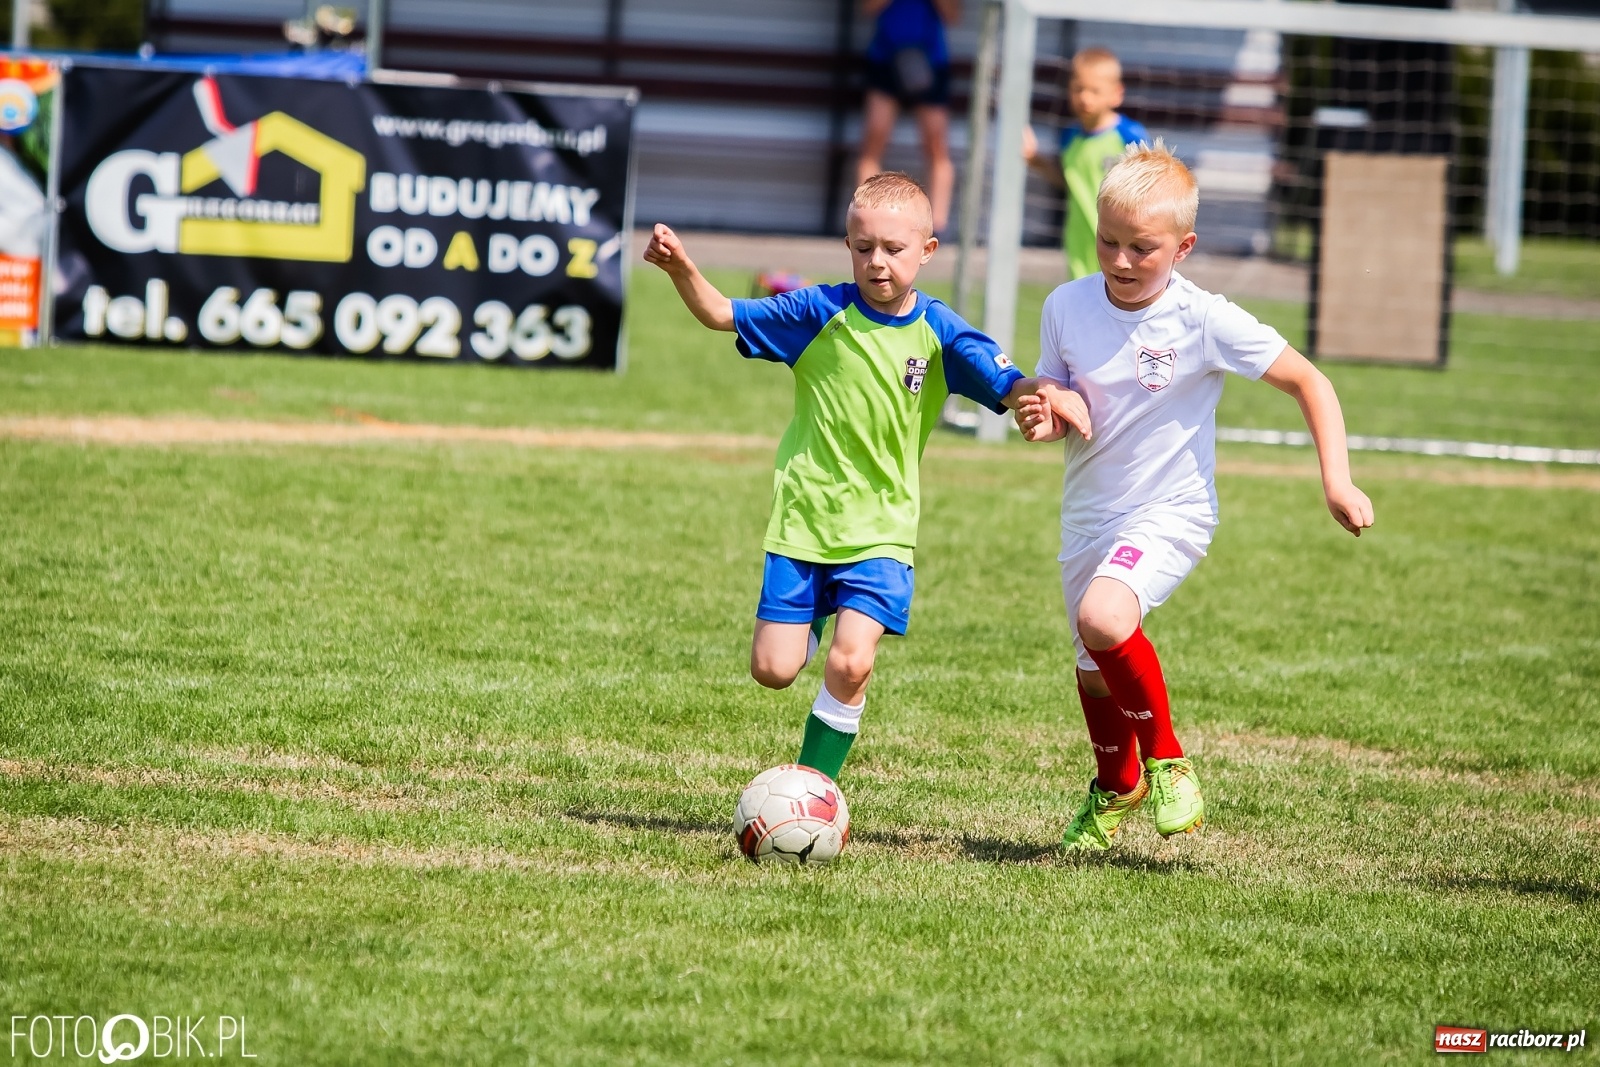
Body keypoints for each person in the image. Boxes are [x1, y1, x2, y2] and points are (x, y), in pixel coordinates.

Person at [1015, 141, 1374, 850]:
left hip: (1171, 512)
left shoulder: (1204, 318)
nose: (1119, 261)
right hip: (1089, 514)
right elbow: (1047, 396)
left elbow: (1311, 381)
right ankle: (1117, 785)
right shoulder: (1065, 304)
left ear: (1183, 247)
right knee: (1092, 665)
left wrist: (1337, 478)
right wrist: (1045, 407)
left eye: (1140, 249)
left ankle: (1169, 761)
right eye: (1107, 241)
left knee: (1105, 617)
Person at [644, 172, 1034, 782]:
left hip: (882, 529)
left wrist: (1041, 400)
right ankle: (812, 616)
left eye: (894, 250)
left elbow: (1009, 383)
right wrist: (680, 269)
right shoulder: (817, 312)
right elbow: (721, 314)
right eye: (862, 248)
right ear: (848, 245)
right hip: (805, 520)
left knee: (851, 664)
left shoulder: (940, 330)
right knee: (773, 670)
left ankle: (812, 787)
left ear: (927, 251)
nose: (877, 263)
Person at [1023, 47, 1150, 281]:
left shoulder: (1129, 136)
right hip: (1079, 243)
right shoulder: (1070, 137)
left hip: (1120, 243)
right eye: (1078, 89)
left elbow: (1151, 188)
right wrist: (1036, 161)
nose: (1085, 97)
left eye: (1094, 91)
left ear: (1116, 93)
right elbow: (1068, 181)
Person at [858, 0, 960, 235]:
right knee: (873, 143)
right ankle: (867, 221)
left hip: (931, 62)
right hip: (885, 60)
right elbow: (868, 8)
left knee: (936, 147)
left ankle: (936, 229)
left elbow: (952, 15)